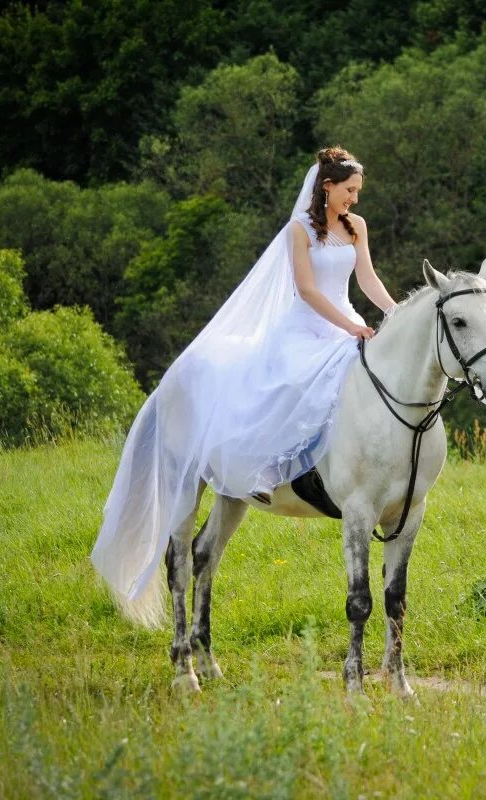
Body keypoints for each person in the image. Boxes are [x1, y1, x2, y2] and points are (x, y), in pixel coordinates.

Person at [92, 146, 396, 605]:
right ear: (327, 187)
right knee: (294, 384)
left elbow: (368, 279)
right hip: (309, 325)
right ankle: (264, 468)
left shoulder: (356, 227)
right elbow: (308, 290)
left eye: (358, 191)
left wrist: (396, 313)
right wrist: (350, 325)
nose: (355, 198)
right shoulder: (300, 231)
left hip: (348, 321)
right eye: (349, 190)